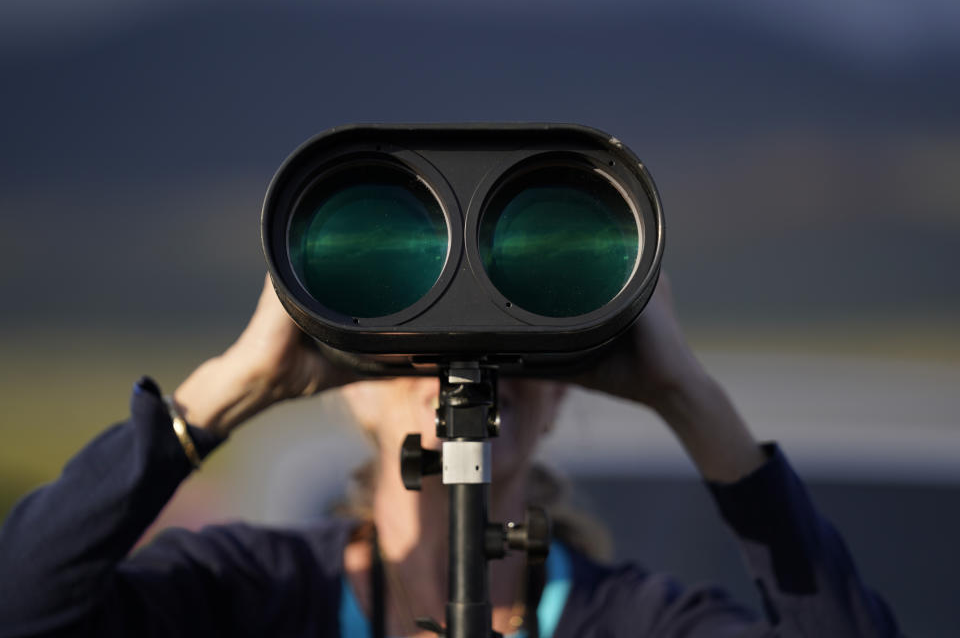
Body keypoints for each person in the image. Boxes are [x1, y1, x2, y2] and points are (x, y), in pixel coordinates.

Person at [0, 274, 901, 638]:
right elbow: (22, 606)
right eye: (409, 338)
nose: (459, 364)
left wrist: (687, 397)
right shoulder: (253, 598)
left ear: (561, 395)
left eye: (521, 345)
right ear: (342, 377)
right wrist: (235, 384)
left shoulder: (632, 623)